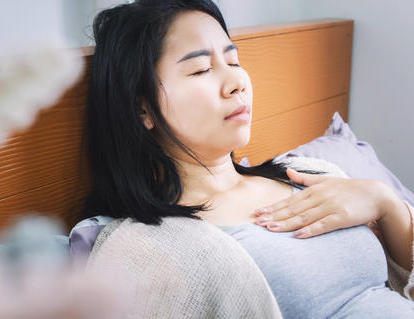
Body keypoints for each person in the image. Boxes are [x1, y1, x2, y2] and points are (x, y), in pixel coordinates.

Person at [83, 0, 414, 317]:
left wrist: (385, 202)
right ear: (142, 108)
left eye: (234, 61)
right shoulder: (144, 249)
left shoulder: (309, 173)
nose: (236, 83)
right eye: (200, 70)